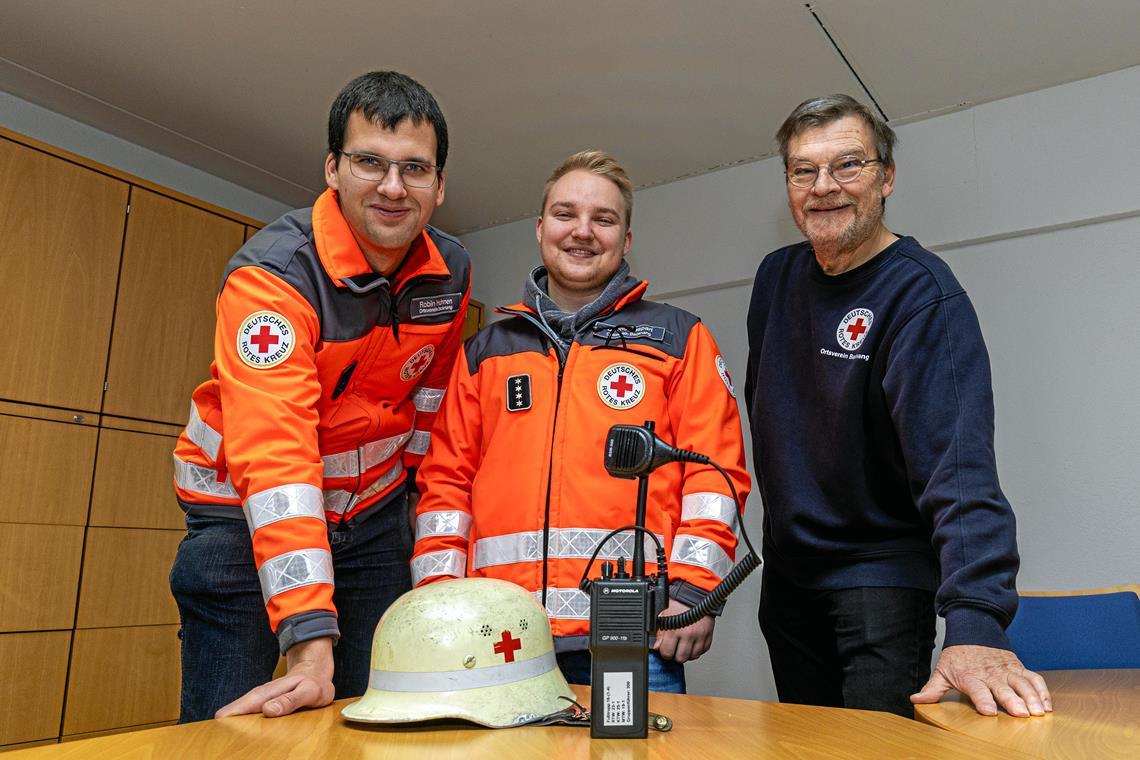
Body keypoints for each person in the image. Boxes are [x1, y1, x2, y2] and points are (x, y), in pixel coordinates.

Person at [169, 71, 470, 721]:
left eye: (415, 168)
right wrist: (308, 637)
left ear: (440, 185)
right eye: (370, 162)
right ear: (332, 169)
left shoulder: (452, 272)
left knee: (374, 714)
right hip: (244, 519)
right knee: (230, 724)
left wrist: (417, 503)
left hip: (373, 520)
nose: (393, 187)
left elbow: (429, 401)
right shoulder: (273, 277)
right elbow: (276, 457)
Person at [745, 94, 1051, 718]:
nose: (824, 187)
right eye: (804, 170)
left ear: (886, 177)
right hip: (790, 585)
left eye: (847, 165)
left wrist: (975, 623)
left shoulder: (924, 296)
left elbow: (959, 470)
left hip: (881, 582)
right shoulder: (775, 279)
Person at [411, 150, 750, 692]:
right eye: (566, 214)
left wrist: (695, 593)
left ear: (627, 239)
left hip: (634, 632)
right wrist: (437, 603)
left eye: (604, 218)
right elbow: (445, 487)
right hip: (498, 634)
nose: (583, 232)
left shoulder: (680, 339)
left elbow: (715, 476)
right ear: (540, 227)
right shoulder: (484, 353)